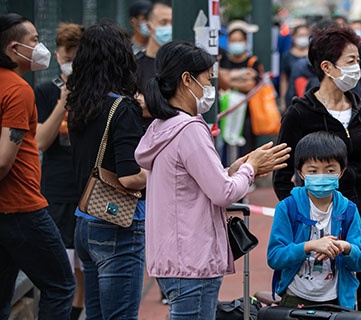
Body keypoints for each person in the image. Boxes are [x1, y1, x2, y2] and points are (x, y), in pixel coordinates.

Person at [135, 40, 290, 319]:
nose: (211, 88)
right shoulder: (189, 128)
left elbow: (194, 182)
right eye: (208, 79)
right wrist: (249, 169)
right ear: (187, 80)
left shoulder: (163, 127)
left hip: (175, 257)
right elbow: (223, 192)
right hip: (192, 259)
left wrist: (237, 168)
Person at [273, 24, 361, 319]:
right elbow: (280, 176)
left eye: (358, 60)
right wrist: (307, 216)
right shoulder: (300, 113)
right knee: (325, 303)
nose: (358, 68)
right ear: (327, 67)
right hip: (320, 225)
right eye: (351, 61)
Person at [66, 23, 147, 319]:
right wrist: (162, 172)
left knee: (97, 314)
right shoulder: (123, 108)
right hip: (118, 223)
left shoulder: (79, 104)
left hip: (85, 221)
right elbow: (129, 176)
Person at [0, 13, 75, 320]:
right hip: (22, 209)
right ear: (14, 49)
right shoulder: (18, 89)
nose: (40, 46)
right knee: (60, 285)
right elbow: (4, 159)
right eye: (34, 41)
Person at [267, 132, 361, 309]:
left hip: (336, 301)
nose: (321, 176)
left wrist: (346, 248)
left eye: (330, 170)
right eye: (313, 171)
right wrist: (308, 246)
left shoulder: (349, 210)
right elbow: (275, 257)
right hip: (294, 298)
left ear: (342, 172)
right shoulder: (287, 208)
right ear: (300, 172)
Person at [33, 21, 85, 320]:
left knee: (85, 263)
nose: (72, 63)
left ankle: (77, 311)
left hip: (89, 187)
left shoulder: (98, 94)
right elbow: (41, 140)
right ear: (57, 56)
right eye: (67, 56)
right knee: (62, 260)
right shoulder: (44, 92)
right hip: (57, 186)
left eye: (78, 56)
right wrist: (63, 101)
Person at [218, 20, 264, 157]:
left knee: (246, 148)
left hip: (247, 114)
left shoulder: (253, 62)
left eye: (239, 40)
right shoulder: (224, 60)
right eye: (233, 40)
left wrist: (230, 79)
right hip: (226, 112)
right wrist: (241, 77)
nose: (236, 43)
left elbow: (250, 85)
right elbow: (221, 81)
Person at [136, 1, 172, 93]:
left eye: (172, 23)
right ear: (148, 27)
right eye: (163, 22)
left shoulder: (179, 63)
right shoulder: (135, 66)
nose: (169, 27)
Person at [280, 24, 309, 111]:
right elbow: (284, 79)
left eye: (305, 35)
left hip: (310, 96)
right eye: (300, 35)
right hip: (292, 96)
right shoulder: (287, 56)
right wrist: (283, 101)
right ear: (293, 37)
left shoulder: (314, 55)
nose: (303, 38)